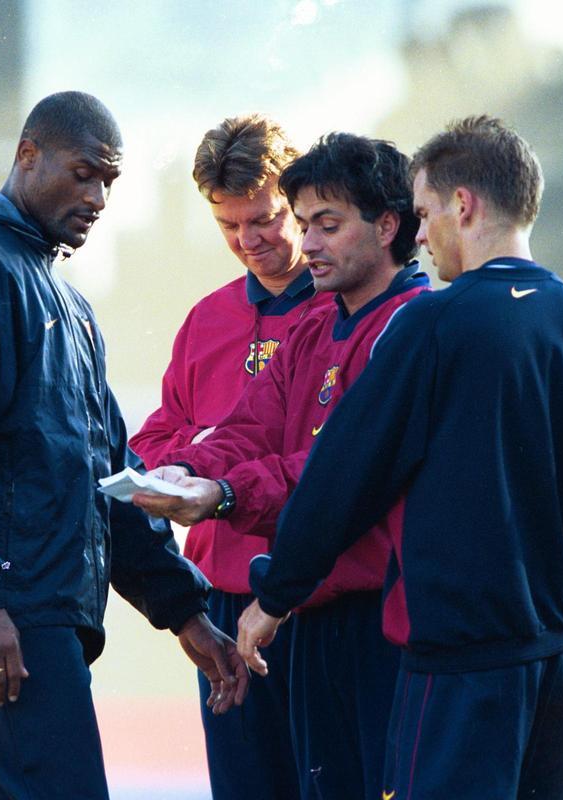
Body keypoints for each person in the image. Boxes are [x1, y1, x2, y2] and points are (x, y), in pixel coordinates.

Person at [236, 115, 563, 799]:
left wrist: (275, 594)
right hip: (561, 656)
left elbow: (344, 476)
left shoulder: (430, 325)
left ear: (463, 205)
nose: (419, 234)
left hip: (459, 665)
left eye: (422, 213)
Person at [0, 91, 248, 800]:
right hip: (4, 613)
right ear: (27, 155)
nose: (100, 196)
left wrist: (185, 611)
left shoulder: (67, 302)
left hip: (31, 611)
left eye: (110, 181)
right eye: (85, 173)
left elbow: (110, 478)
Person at [134, 132, 430, 800]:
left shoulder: (411, 324)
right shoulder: (287, 325)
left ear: (388, 226)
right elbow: (239, 430)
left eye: (293, 222)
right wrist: (181, 471)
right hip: (255, 597)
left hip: (358, 605)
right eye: (227, 224)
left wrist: (223, 491)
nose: (256, 239)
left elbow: (333, 472)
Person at [128, 114, 331, 800]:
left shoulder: (350, 311)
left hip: (321, 591)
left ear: (299, 202)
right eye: (229, 226)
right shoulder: (206, 319)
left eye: (266, 219)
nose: (250, 241)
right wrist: (201, 456)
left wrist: (212, 461)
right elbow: (155, 441)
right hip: (223, 593)